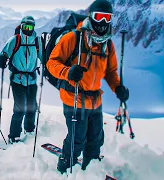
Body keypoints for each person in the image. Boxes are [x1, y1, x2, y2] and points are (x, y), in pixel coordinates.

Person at [46, 0, 129, 173]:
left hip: (95, 99)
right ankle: (64, 166)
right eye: (100, 17)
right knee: (77, 138)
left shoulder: (108, 44)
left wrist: (118, 87)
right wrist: (68, 72)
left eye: (108, 18)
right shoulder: (73, 38)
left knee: (96, 139)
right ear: (91, 17)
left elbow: (111, 71)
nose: (103, 22)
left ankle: (91, 168)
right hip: (73, 97)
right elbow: (51, 63)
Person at [0, 16, 42, 143]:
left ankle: (29, 129)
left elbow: (43, 57)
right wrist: (1, 60)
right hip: (17, 79)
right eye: (25, 27)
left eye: (30, 27)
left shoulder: (37, 41)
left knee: (32, 106)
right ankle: (14, 135)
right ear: (21, 26)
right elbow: (2, 55)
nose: (27, 29)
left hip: (32, 79)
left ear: (33, 27)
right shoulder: (15, 40)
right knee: (20, 107)